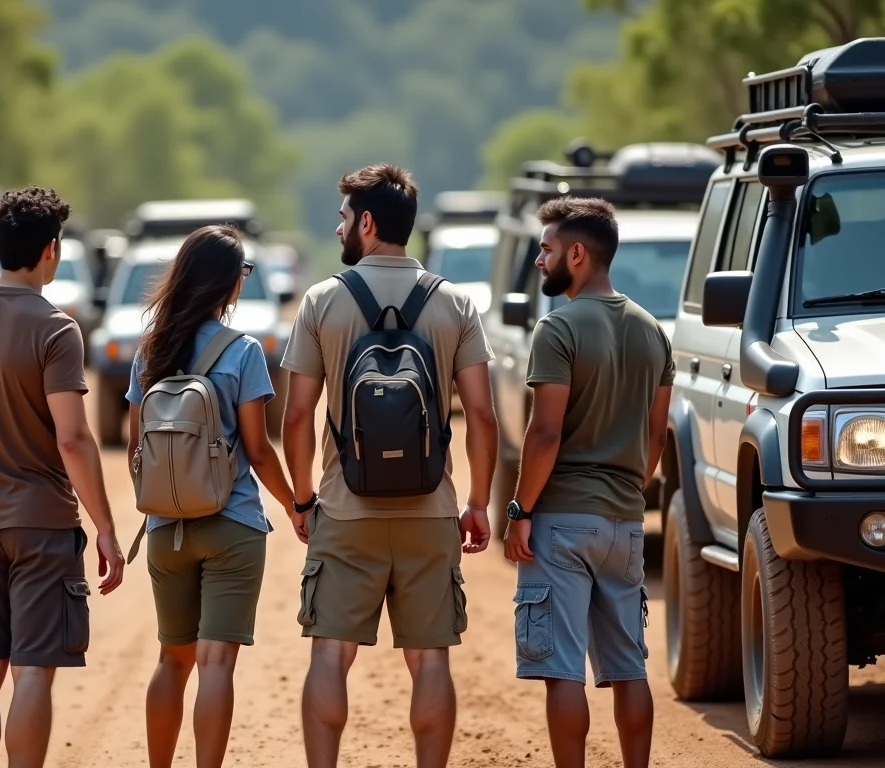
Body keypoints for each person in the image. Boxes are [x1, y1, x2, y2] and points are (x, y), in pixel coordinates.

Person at [280, 164, 498, 768]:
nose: (339, 227)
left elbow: (296, 416)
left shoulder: (323, 300)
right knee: (430, 658)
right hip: (431, 509)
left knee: (330, 654)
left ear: (368, 223)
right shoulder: (455, 302)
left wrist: (302, 497)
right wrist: (477, 501)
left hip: (346, 508)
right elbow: (482, 415)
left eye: (345, 217)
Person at [0, 186, 126, 768]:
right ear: (52, 251)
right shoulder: (57, 330)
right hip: (42, 524)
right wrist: (106, 527)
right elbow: (72, 437)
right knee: (33, 673)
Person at [504, 197, 673, 768]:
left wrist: (520, 510)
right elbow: (656, 437)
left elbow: (545, 432)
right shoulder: (653, 331)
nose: (539, 261)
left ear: (577, 254)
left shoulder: (557, 329)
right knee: (629, 667)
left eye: (547, 250)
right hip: (624, 520)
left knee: (561, 669)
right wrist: (628, 491)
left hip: (561, 520)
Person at [124, 225, 297, 768]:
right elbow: (259, 450)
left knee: (170, 662)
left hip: (165, 530)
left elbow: (136, 449)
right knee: (216, 664)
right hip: (233, 523)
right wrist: (297, 506)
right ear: (228, 283)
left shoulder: (149, 350)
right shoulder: (242, 351)